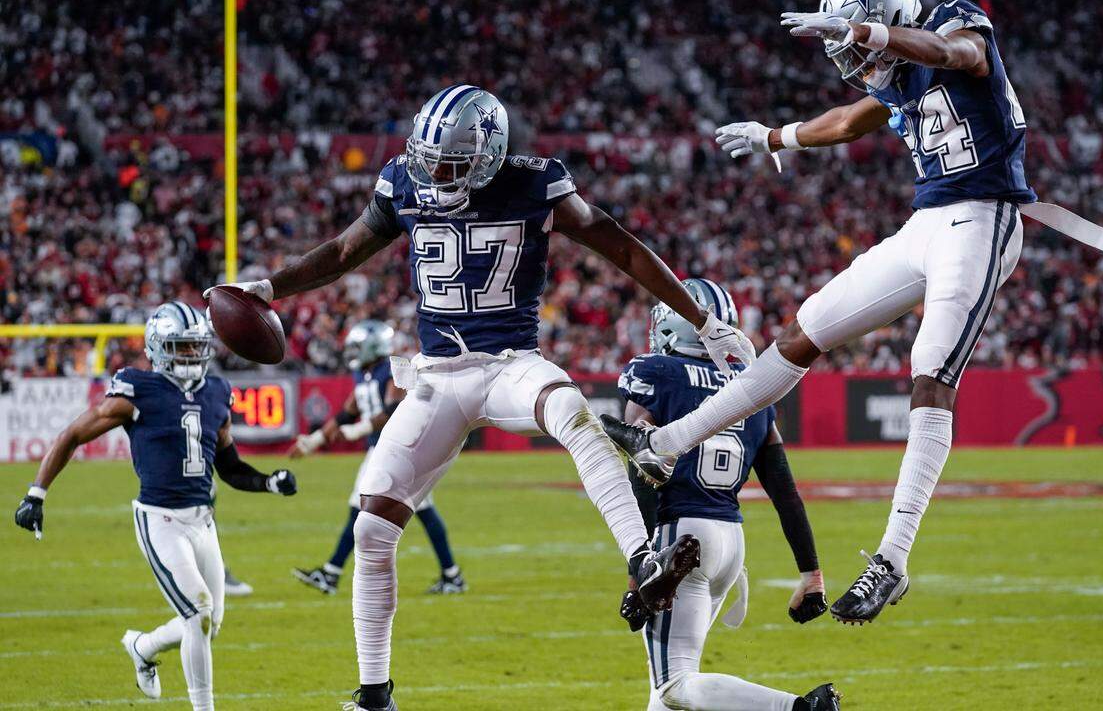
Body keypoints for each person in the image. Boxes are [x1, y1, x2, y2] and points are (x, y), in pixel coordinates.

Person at [205, 84, 756, 711]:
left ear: (491, 154)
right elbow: (340, 252)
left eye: (454, 163)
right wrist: (269, 287)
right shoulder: (401, 183)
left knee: (576, 416)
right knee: (372, 525)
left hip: (510, 365)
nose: (437, 173)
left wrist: (704, 322)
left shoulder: (535, 183)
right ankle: (374, 692)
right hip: (437, 377)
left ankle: (643, 559)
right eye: (430, 158)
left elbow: (623, 246)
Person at [604, 0, 1046, 625]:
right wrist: (774, 136)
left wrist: (863, 30)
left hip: (986, 216)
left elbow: (953, 52)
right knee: (801, 332)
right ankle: (664, 446)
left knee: (930, 370)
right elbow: (846, 122)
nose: (855, 62)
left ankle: (891, 561)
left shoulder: (952, 28)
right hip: (927, 224)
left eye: (858, 48)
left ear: (892, 20)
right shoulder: (898, 79)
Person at [12, 302, 297, 710]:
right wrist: (36, 494)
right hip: (160, 520)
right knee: (198, 611)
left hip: (204, 523)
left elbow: (229, 466)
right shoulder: (137, 389)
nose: (191, 355)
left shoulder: (217, 391)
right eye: (181, 347)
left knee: (208, 624)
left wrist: (268, 482)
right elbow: (73, 434)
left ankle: (143, 647)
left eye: (195, 347)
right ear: (158, 348)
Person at [617, 279, 839, 711]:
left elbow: (642, 471)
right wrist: (811, 572)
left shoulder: (653, 373)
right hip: (730, 544)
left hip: (678, 540)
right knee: (664, 696)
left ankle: (796, 707)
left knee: (675, 685)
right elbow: (784, 490)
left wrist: (637, 571)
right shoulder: (752, 385)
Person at [290, 319, 466, 595]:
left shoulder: (393, 370)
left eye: (358, 347)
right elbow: (346, 413)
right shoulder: (363, 374)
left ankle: (331, 573)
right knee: (405, 510)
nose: (352, 352)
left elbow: (392, 411)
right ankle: (332, 573)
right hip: (383, 450)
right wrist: (313, 441)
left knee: (397, 510)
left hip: (403, 448)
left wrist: (356, 430)